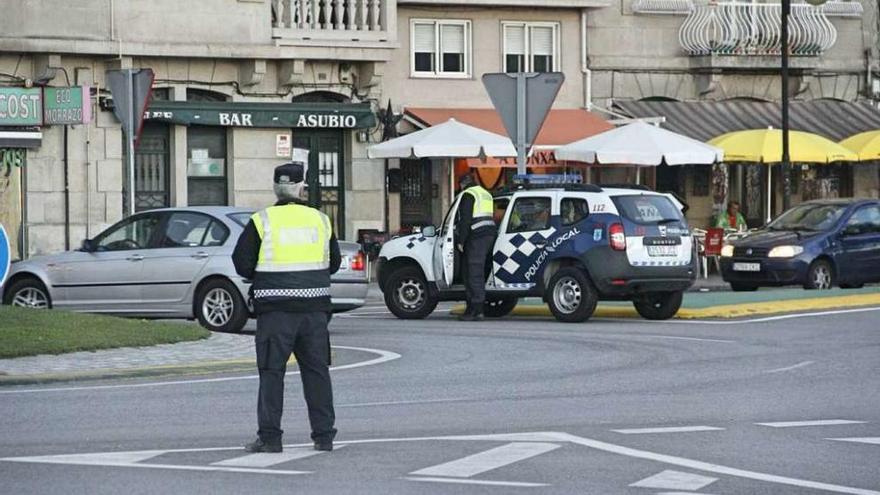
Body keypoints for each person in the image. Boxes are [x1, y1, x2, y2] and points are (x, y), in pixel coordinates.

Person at [232, 159, 341, 453]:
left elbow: (241, 263)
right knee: (317, 372)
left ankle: (270, 438)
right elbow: (334, 264)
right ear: (302, 187)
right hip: (315, 313)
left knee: (272, 373)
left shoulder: (262, 220)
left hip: (276, 312)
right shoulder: (321, 219)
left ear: (276, 188)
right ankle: (324, 435)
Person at [455, 171, 497, 321]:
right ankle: (472, 307)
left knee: (474, 272)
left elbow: (465, 219)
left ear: (462, 185)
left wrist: (461, 241)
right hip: (489, 235)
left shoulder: (468, 194)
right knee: (472, 271)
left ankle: (477, 309)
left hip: (477, 236)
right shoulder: (486, 193)